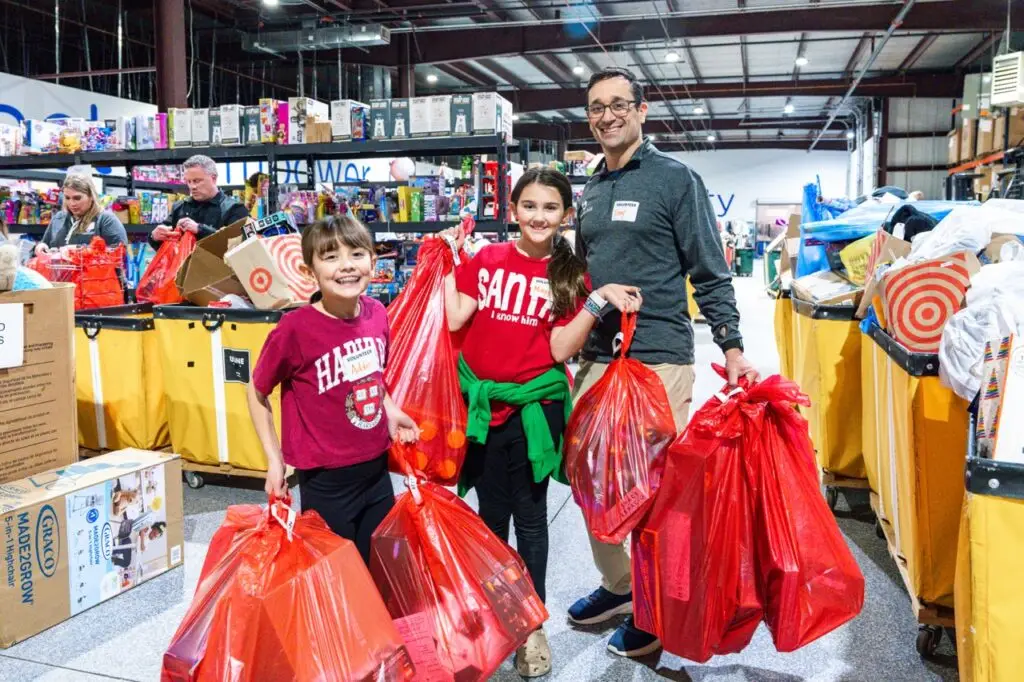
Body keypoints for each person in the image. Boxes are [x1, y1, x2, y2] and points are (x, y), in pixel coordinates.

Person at [567, 67, 760, 659]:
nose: (606, 116)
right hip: (600, 357)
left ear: (642, 111)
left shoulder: (676, 180)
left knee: (649, 492)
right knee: (592, 483)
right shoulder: (593, 187)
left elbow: (709, 268)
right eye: (596, 107)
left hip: (658, 360)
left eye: (618, 104)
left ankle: (653, 612)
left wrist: (731, 346)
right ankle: (620, 586)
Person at [442, 167, 641, 678]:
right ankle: (492, 618)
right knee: (489, 521)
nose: (538, 216)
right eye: (528, 206)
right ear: (512, 211)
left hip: (536, 411)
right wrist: (445, 260)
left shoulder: (570, 274)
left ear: (565, 215)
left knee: (531, 521)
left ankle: (530, 628)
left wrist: (595, 304)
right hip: (484, 409)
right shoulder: (486, 259)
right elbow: (456, 316)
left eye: (550, 208)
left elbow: (558, 348)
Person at [247, 214, 420, 564]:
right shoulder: (294, 330)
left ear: (373, 261)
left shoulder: (377, 314)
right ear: (308, 270)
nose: (346, 267)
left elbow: (373, 376)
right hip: (326, 481)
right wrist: (274, 461)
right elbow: (257, 391)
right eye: (330, 257)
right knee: (337, 575)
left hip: (376, 470)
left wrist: (391, 409)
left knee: (379, 567)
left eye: (357, 254)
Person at [150, 155, 248, 249]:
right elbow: (165, 250)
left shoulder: (234, 209)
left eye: (197, 181)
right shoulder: (179, 208)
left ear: (213, 178)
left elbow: (238, 246)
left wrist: (200, 229)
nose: (192, 187)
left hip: (218, 266)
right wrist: (155, 237)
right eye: (189, 181)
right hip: (182, 265)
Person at [34, 174, 128, 255]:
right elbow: (45, 243)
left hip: (95, 275)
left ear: (91, 196)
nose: (72, 203)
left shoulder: (105, 220)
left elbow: (119, 252)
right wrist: (42, 247)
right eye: (67, 198)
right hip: (58, 274)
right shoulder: (59, 218)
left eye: (77, 198)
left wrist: (82, 252)